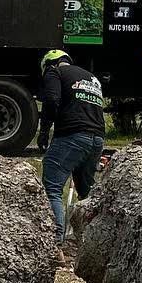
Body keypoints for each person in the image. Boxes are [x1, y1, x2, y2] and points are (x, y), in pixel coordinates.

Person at [37, 48, 106, 255]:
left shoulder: (53, 72)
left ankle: (55, 242)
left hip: (73, 134)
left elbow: (51, 101)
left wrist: (44, 131)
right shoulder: (91, 77)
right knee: (87, 194)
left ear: (50, 63)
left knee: (53, 186)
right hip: (97, 138)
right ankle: (90, 242)